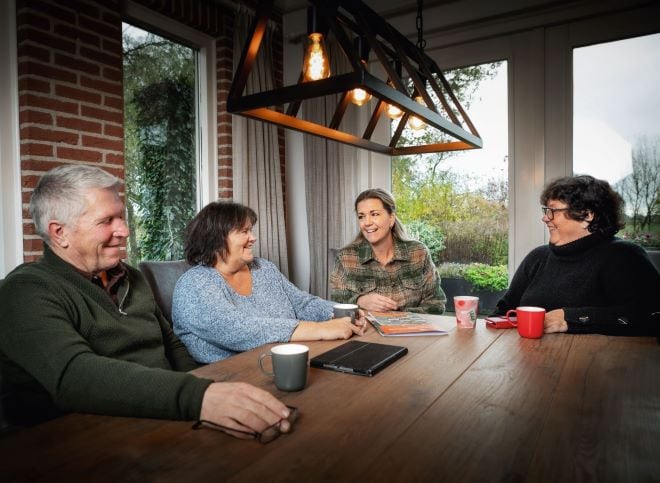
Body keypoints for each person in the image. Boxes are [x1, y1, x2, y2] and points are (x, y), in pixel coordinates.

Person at [0, 165, 292, 437]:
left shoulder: (131, 277)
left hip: (165, 415)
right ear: (59, 232)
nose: (124, 231)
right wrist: (199, 397)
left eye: (121, 217)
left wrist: (218, 394)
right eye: (106, 221)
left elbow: (172, 345)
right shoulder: (25, 291)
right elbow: (74, 376)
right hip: (75, 437)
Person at [172, 202, 367, 363]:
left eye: (251, 230)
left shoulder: (263, 268)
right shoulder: (194, 284)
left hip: (284, 361)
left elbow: (301, 303)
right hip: (230, 377)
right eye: (244, 231)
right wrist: (321, 329)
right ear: (216, 238)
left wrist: (346, 312)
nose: (253, 238)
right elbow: (237, 329)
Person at [493, 175, 660, 336]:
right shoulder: (538, 257)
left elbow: (650, 316)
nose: (545, 218)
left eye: (553, 210)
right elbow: (502, 312)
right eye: (546, 210)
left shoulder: (625, 256)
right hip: (527, 360)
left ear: (587, 215)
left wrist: (569, 318)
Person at [330, 188, 446, 314]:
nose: (367, 223)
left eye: (374, 214)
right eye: (361, 216)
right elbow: (336, 304)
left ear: (391, 219)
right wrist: (359, 301)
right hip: (365, 333)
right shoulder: (346, 258)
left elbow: (436, 304)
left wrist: (397, 317)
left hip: (411, 332)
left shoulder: (418, 253)